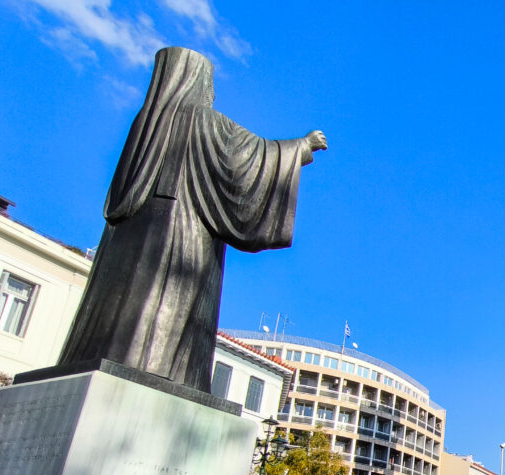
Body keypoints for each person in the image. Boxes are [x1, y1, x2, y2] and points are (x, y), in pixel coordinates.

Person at [57, 47, 327, 392]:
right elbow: (248, 160)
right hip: (180, 232)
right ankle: (164, 372)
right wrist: (302, 146)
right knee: (168, 315)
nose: (212, 93)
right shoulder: (201, 119)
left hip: (124, 241)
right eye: (209, 83)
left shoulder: (145, 124)